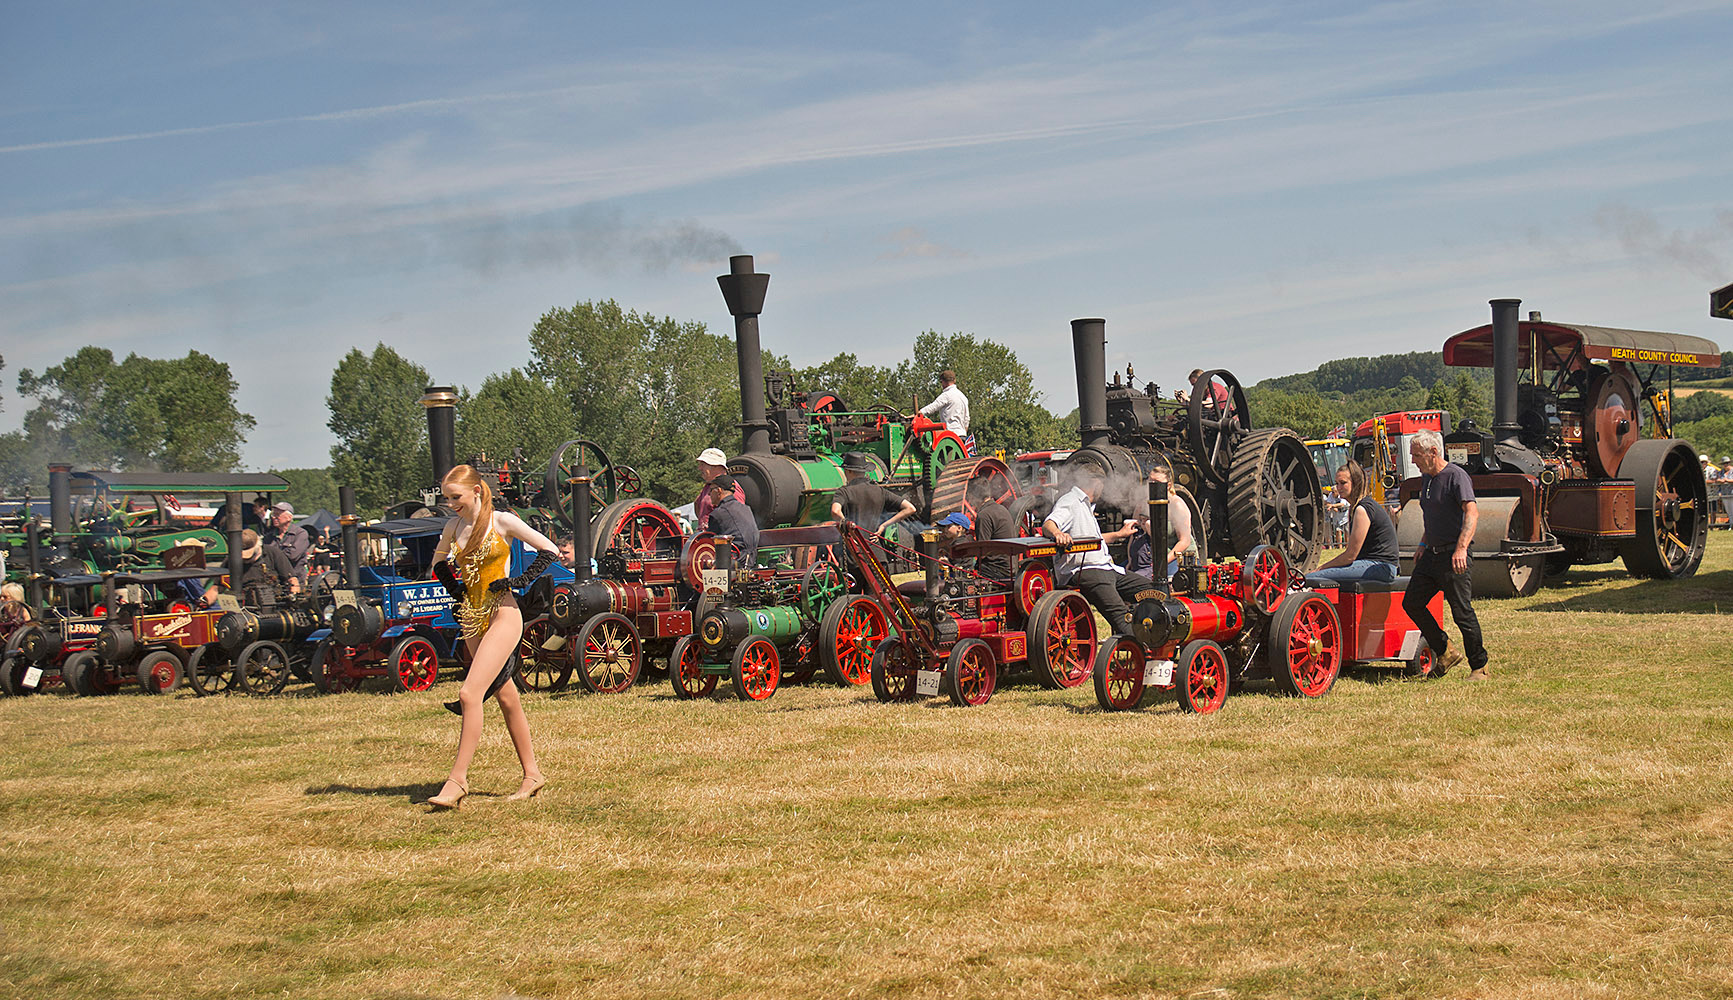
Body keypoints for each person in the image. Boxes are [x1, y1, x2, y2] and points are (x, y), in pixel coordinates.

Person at [426, 464, 559, 809]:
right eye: (447, 498)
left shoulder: (502, 521)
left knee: (470, 693)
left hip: (504, 614)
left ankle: (457, 781)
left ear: (476, 491)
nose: (451, 503)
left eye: (455, 497)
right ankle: (532, 774)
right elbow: (438, 563)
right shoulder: (453, 526)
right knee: (506, 696)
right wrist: (455, 587)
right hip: (472, 618)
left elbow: (550, 550)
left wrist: (515, 581)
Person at [1400, 430, 1488, 681]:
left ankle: (1480, 666)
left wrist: (1461, 548)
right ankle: (1445, 651)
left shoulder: (1456, 477)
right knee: (1412, 602)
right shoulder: (1427, 479)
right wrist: (1422, 543)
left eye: (1417, 455)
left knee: (1462, 612)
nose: (1413, 460)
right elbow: (1433, 517)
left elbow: (1472, 513)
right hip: (1431, 554)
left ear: (1433, 452)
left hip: (1454, 554)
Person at [1042, 469, 1162, 636]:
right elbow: (1049, 523)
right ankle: (1142, 649)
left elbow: (1092, 539)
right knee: (1121, 616)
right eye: (1102, 484)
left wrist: (1119, 534)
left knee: (1155, 593)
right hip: (1086, 571)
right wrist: (1057, 534)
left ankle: (1154, 634)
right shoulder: (1070, 501)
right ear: (1095, 482)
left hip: (1107, 569)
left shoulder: (1086, 506)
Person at [1307, 461, 1399, 584]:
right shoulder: (1356, 507)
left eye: (1343, 483)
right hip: (1375, 564)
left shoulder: (1362, 509)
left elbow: (1350, 556)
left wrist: (1321, 568)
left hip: (1380, 566)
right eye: (1337, 483)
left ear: (1356, 483)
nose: (1338, 487)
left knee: (1310, 578)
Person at [1121, 465, 1195, 579]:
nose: (1152, 485)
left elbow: (1184, 542)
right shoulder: (1142, 504)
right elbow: (1134, 535)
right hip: (1147, 558)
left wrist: (1162, 563)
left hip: (1176, 556)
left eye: (1157, 482)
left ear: (1168, 485)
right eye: (1150, 481)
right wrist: (1131, 559)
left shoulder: (1177, 505)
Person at [203, 529, 300, 605]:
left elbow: (292, 580)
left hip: (275, 603)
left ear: (258, 545)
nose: (245, 559)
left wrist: (293, 597)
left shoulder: (273, 553)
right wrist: (203, 602)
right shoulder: (231, 560)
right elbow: (216, 588)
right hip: (244, 605)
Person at [830, 453, 917, 534]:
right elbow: (910, 508)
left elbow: (835, 511)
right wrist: (884, 525)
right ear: (864, 471)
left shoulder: (843, 492)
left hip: (853, 545)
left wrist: (848, 526)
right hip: (874, 546)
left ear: (848, 471)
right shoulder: (880, 491)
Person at [703, 474, 759, 568]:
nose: (709, 494)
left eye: (711, 490)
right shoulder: (746, 508)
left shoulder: (718, 514)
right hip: (751, 561)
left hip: (734, 563)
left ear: (719, 491)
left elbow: (710, 544)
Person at [968, 485, 1016, 581]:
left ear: (973, 496)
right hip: (1009, 566)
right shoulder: (1002, 509)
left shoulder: (984, 515)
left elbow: (983, 551)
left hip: (995, 570)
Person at [693, 447, 746, 530]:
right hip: (707, 539)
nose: (699, 468)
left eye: (703, 464)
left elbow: (738, 519)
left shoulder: (731, 487)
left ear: (715, 466)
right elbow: (698, 508)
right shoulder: (707, 486)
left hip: (719, 540)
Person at [265, 502, 312, 586]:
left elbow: (292, 556)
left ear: (289, 517)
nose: (274, 517)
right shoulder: (269, 536)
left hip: (295, 579)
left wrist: (274, 556)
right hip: (275, 580)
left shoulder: (300, 534)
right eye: (273, 515)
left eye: (277, 515)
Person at [918, 369, 971, 437]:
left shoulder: (946, 395)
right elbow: (967, 419)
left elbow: (932, 407)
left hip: (950, 434)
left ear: (943, 381)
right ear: (954, 380)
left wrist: (918, 413)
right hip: (961, 435)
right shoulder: (963, 397)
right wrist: (963, 432)